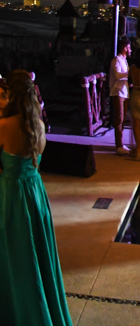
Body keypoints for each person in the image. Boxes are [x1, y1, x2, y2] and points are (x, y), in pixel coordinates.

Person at [0, 70, 72, 326]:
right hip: (36, 194)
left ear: (11, 96)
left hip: (12, 197)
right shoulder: (39, 126)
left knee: (16, 257)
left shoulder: (4, 126)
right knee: (38, 258)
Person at [109, 38, 132, 154]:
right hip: (117, 92)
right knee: (119, 118)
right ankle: (118, 145)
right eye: (129, 47)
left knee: (122, 120)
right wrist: (130, 73)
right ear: (124, 48)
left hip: (125, 92)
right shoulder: (117, 60)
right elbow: (117, 75)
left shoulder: (125, 61)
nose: (130, 50)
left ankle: (121, 143)